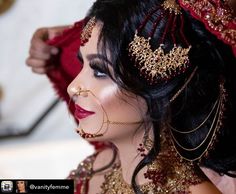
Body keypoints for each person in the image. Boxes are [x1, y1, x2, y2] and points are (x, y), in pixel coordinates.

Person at [26, 0, 236, 193]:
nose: (73, 87)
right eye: (82, 64)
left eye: (100, 71)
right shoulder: (101, 164)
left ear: (160, 90)